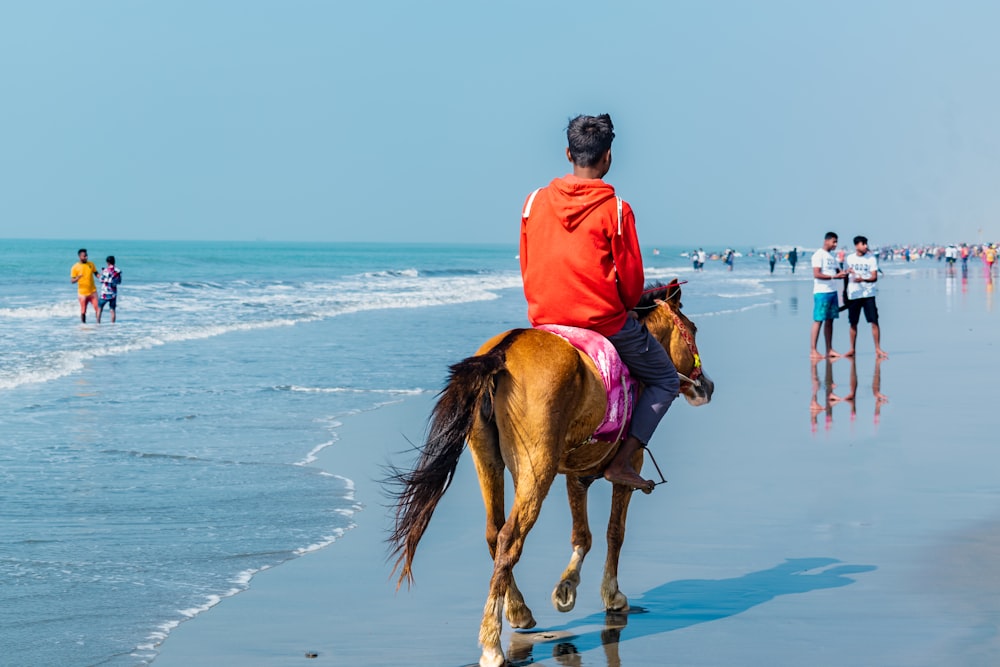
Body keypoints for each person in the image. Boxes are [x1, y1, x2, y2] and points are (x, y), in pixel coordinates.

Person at [519, 113, 680, 493]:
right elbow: (631, 285)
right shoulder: (618, 210)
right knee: (666, 380)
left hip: (544, 320)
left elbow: (527, 265)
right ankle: (621, 462)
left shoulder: (532, 202)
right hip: (601, 323)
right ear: (608, 157)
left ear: (567, 153)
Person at [844, 236, 887, 359]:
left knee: (874, 321)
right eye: (863, 244)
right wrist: (844, 293)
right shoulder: (849, 258)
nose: (866, 246)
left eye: (866, 244)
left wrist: (863, 279)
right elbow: (845, 276)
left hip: (868, 294)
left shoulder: (871, 258)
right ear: (856, 245)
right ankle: (852, 349)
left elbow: (874, 277)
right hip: (854, 294)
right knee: (853, 323)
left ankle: (878, 348)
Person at [810, 232, 848, 360]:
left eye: (836, 242)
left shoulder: (832, 258)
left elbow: (839, 272)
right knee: (818, 320)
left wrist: (846, 272)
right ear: (827, 241)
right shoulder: (818, 255)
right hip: (821, 292)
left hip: (832, 291)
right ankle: (813, 350)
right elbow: (816, 274)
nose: (835, 244)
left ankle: (829, 349)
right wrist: (833, 276)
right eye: (834, 242)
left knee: (830, 321)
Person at [70, 248, 99, 323]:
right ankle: (83, 326)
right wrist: (77, 278)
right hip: (82, 293)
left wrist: (101, 276)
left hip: (93, 291)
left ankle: (99, 325)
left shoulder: (91, 264)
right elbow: (72, 281)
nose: (86, 257)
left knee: (98, 309)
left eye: (87, 255)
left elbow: (96, 273)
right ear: (80, 257)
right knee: (83, 310)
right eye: (84, 256)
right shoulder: (75, 267)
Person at [98, 255, 122, 324]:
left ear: (108, 263)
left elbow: (100, 280)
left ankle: (98, 323)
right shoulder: (118, 271)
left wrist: (102, 273)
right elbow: (119, 281)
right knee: (112, 310)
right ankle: (112, 325)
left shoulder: (105, 270)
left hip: (105, 293)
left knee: (100, 308)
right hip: (113, 293)